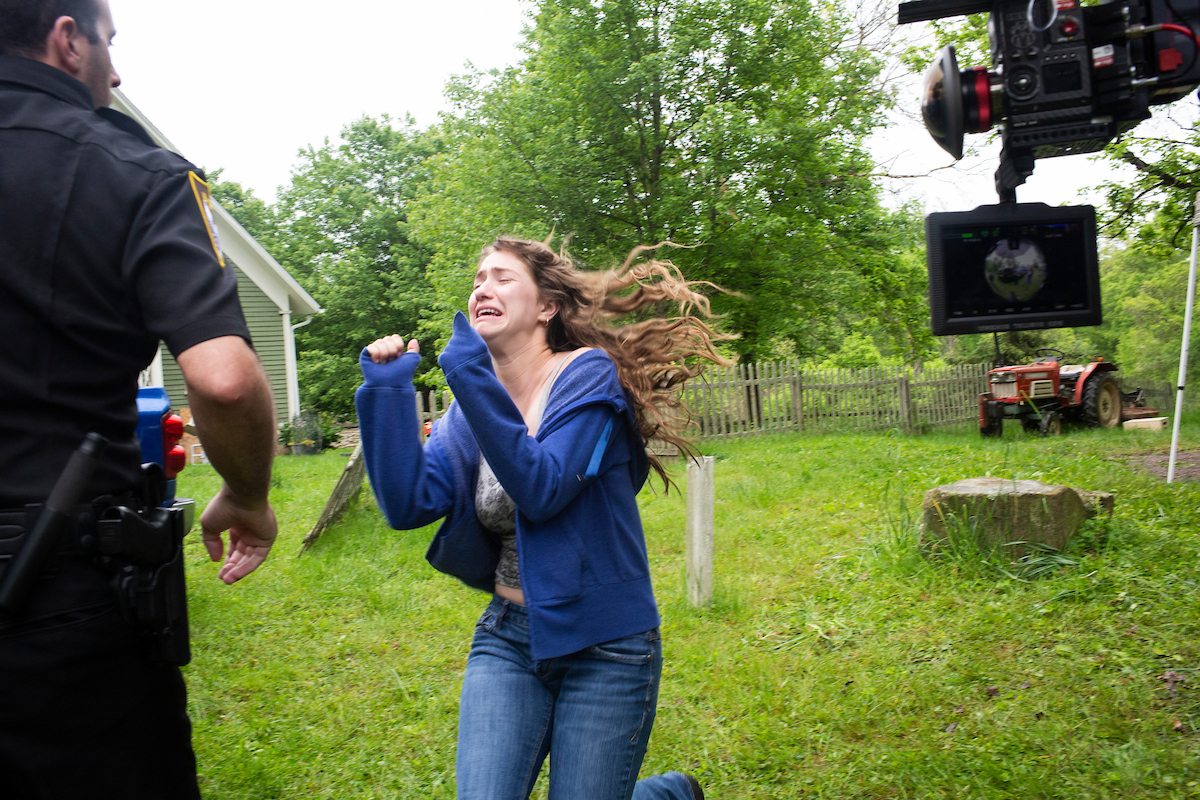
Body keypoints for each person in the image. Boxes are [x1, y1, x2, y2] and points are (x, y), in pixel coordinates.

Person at [0, 1, 280, 797]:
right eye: (108, 44)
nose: (115, 72)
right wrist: (249, 495)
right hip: (53, 596)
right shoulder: (133, 172)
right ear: (66, 38)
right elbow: (223, 377)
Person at [357, 237, 729, 800]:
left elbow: (544, 488)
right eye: (479, 278)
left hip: (607, 646)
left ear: (547, 307)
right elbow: (408, 504)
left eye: (503, 277)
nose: (484, 287)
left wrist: (470, 374)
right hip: (508, 639)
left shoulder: (586, 376)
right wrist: (387, 390)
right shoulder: (468, 410)